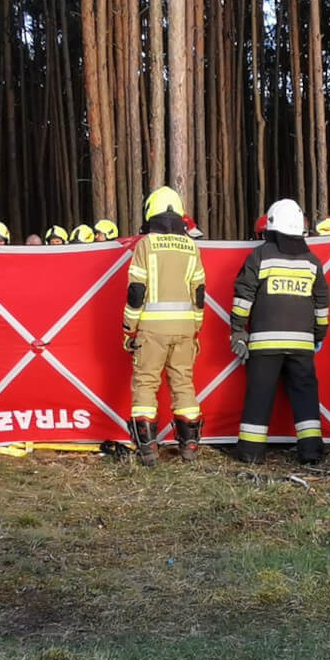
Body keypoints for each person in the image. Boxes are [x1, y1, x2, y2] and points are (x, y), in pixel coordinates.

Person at [229, 198, 330, 465]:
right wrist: (319, 335)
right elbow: (322, 303)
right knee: (306, 396)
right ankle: (310, 451)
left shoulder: (260, 256)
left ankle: (251, 453)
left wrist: (238, 329)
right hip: (302, 345)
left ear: (271, 227)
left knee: (259, 396)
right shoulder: (312, 261)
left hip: (264, 344)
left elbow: (243, 296)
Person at [124, 186, 207, 464]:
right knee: (183, 383)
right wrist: (195, 329)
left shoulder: (145, 245)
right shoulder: (191, 246)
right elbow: (199, 294)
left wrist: (128, 329)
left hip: (151, 329)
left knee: (146, 384)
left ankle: (148, 450)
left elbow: (136, 291)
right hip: (185, 329)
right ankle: (189, 447)